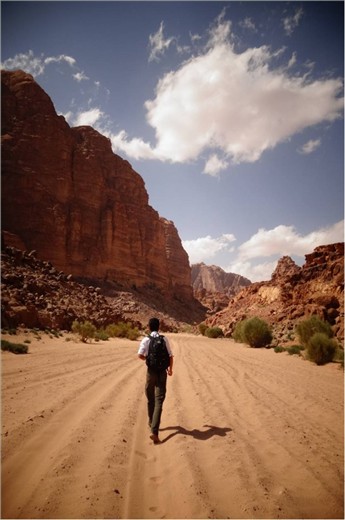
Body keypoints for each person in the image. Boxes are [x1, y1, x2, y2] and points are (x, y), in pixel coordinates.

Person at [138, 317, 173, 444]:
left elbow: (140, 355)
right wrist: (170, 369)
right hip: (162, 372)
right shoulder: (164, 339)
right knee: (159, 400)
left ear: (148, 327)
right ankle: (154, 431)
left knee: (150, 397)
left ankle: (150, 422)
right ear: (159, 327)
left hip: (150, 372)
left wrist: (148, 359)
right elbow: (170, 355)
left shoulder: (146, 339)